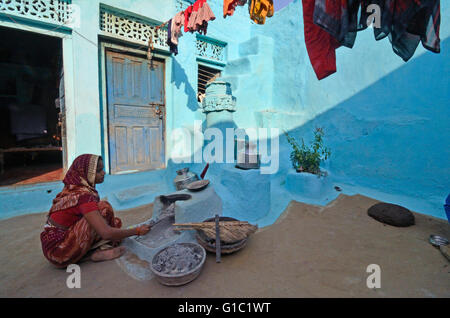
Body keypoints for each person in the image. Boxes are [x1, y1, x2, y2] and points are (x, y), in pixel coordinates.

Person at [40, 154, 151, 268]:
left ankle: (93, 251)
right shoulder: (83, 197)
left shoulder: (74, 187)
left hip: (53, 243)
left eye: (102, 169)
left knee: (110, 217)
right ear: (85, 174)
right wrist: (137, 231)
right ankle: (91, 254)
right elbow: (106, 233)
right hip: (59, 252)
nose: (103, 173)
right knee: (104, 214)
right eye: (98, 171)